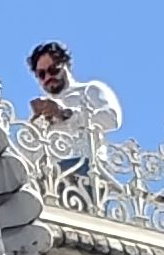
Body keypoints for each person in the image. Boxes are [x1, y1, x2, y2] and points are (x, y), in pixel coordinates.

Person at [27, 41, 121, 189]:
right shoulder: (41, 112)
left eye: (53, 69)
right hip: (51, 178)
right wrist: (33, 128)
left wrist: (65, 113)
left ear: (66, 65)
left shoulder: (89, 90)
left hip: (85, 170)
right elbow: (29, 157)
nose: (48, 77)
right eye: (42, 74)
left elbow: (112, 118)